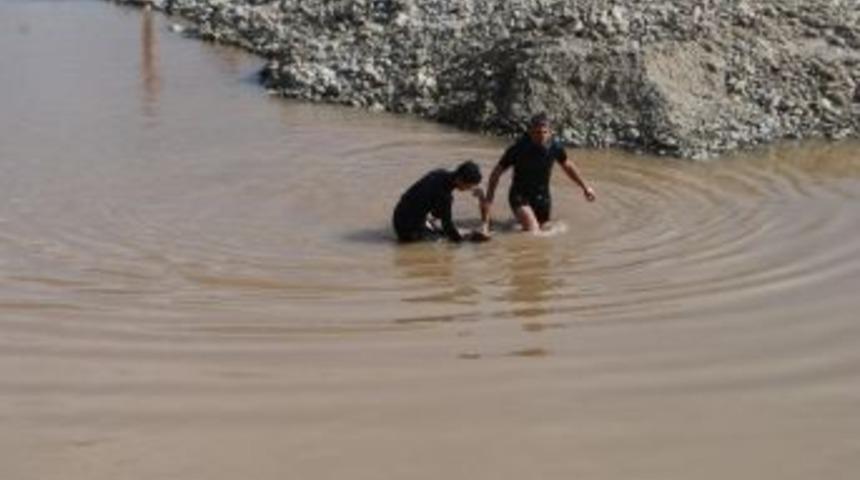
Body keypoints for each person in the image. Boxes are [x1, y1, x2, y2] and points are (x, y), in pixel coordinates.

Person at [482, 113, 596, 233]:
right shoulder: (518, 149)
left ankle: (506, 229)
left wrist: (585, 187)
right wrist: (490, 197)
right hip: (519, 194)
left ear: (550, 132)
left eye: (544, 132)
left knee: (544, 228)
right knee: (533, 230)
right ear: (530, 132)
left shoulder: (555, 147)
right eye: (537, 132)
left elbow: (567, 166)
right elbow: (496, 172)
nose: (541, 136)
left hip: (542, 196)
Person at [392, 160, 488, 243]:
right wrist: (461, 242)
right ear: (460, 180)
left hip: (399, 216)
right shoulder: (445, 196)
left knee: (439, 228)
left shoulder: (439, 173)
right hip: (407, 230)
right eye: (469, 186)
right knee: (441, 239)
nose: (469, 188)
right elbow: (448, 227)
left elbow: (435, 211)